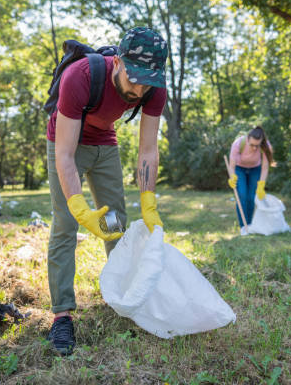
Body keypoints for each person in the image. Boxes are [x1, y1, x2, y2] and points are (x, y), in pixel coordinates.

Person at [45, 27, 168, 355]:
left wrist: (148, 200)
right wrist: (79, 207)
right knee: (65, 225)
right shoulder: (79, 77)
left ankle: (126, 295)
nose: (139, 89)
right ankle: (62, 315)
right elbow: (65, 154)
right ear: (117, 62)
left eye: (148, 81)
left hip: (105, 143)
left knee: (116, 222)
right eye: (134, 77)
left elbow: (147, 151)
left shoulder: (155, 89)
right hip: (66, 141)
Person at [227, 126, 273, 234]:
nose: (254, 148)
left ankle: (250, 225)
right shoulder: (237, 144)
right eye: (252, 145)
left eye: (257, 146)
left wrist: (261, 185)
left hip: (255, 169)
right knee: (242, 196)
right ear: (247, 139)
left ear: (261, 142)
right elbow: (231, 165)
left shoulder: (266, 146)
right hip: (239, 169)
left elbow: (265, 167)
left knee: (252, 198)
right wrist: (232, 177)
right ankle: (244, 227)